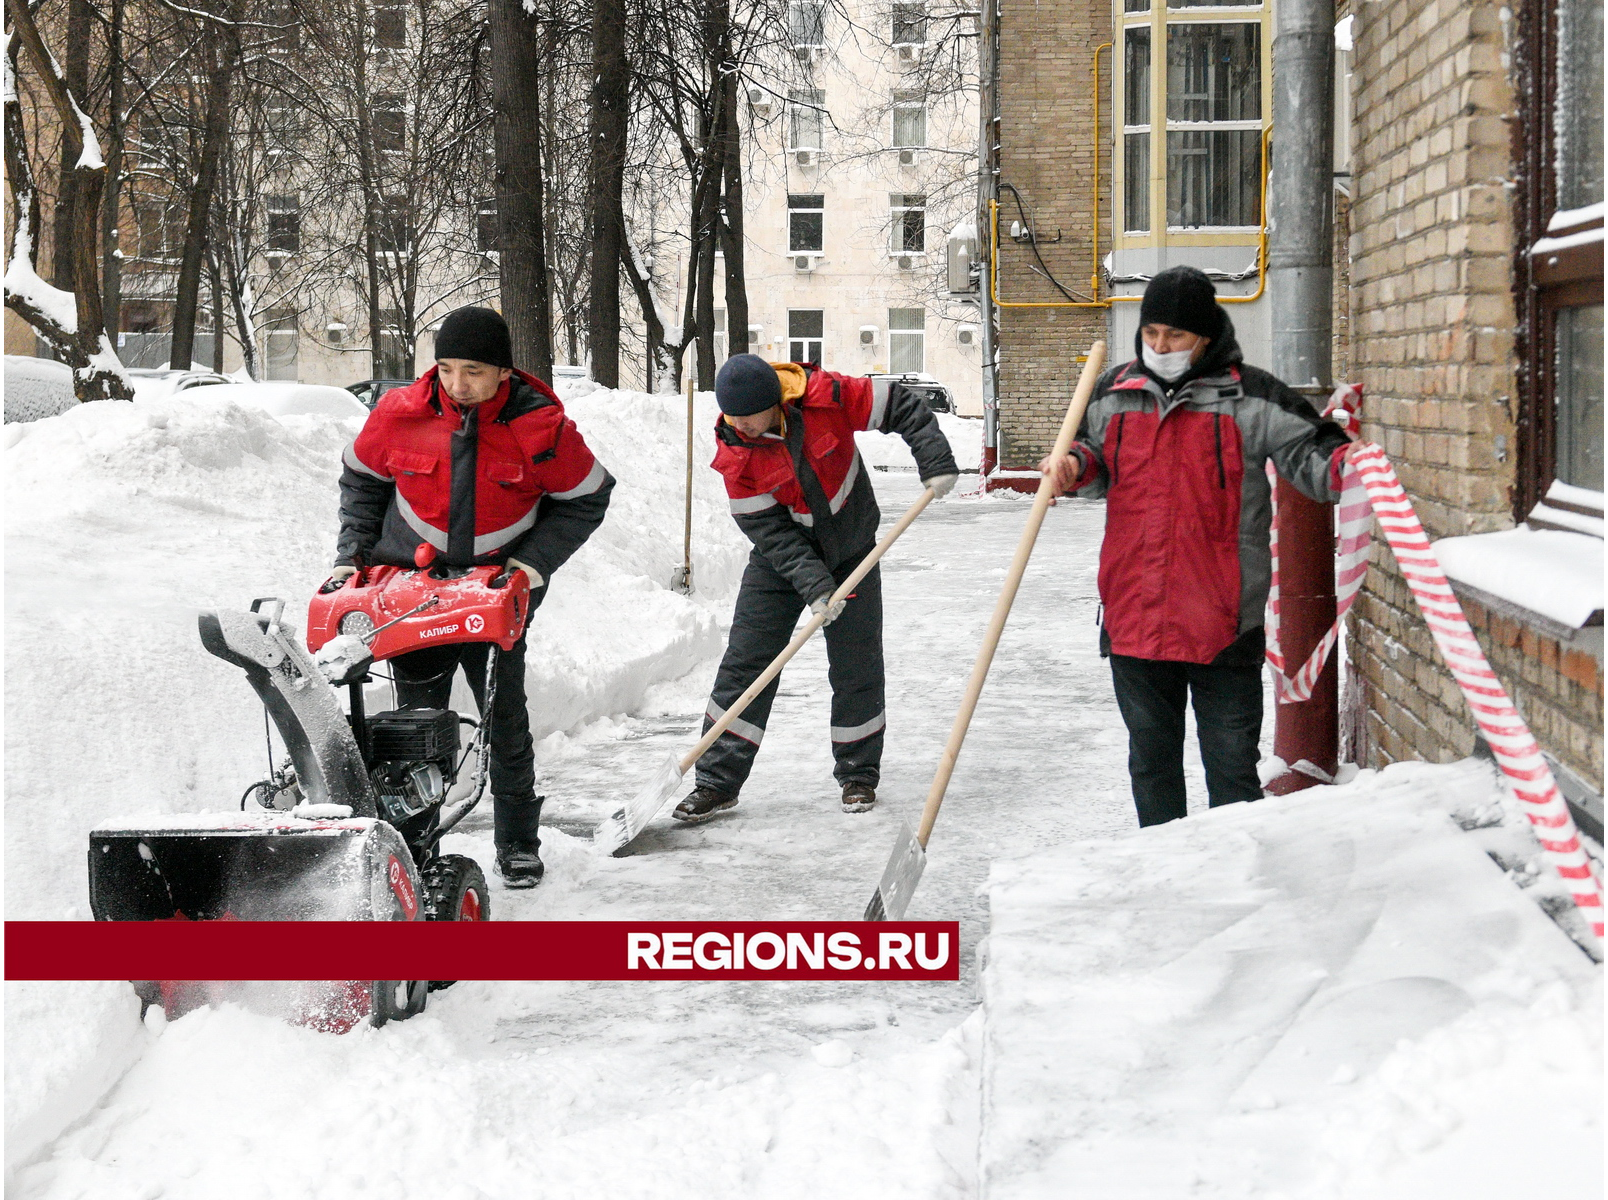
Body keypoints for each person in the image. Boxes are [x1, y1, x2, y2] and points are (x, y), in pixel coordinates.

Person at [1040, 266, 1350, 828]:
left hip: (1222, 626)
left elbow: (1316, 461)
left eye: (1175, 336)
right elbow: (1093, 464)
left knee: (1231, 770)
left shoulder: (1251, 398)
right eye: (1152, 332)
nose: (1160, 346)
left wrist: (1352, 463)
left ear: (1206, 335)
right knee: (1151, 765)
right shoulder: (1113, 395)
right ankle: (1164, 882)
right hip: (1135, 618)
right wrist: (1071, 469)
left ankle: (1232, 883)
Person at [330, 306, 614, 886]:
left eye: (475, 372)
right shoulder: (397, 415)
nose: (458, 385)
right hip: (413, 594)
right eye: (448, 369)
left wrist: (533, 564)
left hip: (494, 594)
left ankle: (517, 843)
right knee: (417, 725)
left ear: (504, 372)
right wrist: (350, 555)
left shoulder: (542, 428)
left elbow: (588, 497)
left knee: (503, 717)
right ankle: (417, 847)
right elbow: (362, 481)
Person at [674, 354, 959, 822]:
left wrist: (935, 459)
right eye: (732, 417)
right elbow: (772, 535)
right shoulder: (734, 454)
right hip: (779, 565)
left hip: (852, 551)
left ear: (776, 403)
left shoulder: (827, 397)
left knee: (857, 662)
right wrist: (816, 588)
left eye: (749, 416)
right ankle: (716, 782)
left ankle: (858, 774)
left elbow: (900, 404)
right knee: (747, 662)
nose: (740, 426)